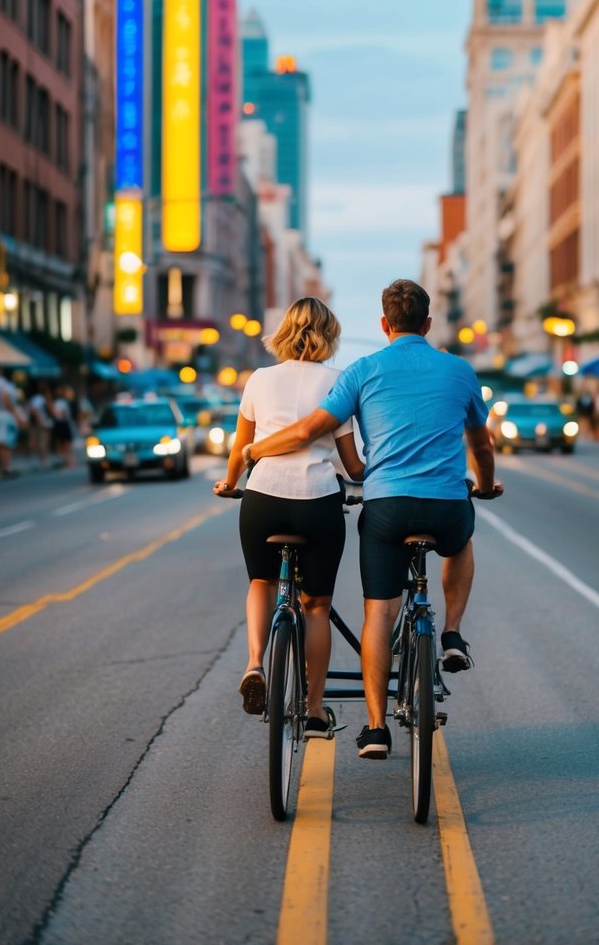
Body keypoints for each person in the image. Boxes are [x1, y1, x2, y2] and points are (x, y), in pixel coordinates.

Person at [241, 279, 503, 760]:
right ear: (427, 324)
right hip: (445, 502)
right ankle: (450, 633)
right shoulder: (460, 370)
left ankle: (377, 727)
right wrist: (483, 485)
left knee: (377, 613)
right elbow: (481, 445)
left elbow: (309, 429)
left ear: (384, 325)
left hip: (385, 506)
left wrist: (254, 451)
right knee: (461, 539)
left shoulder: (363, 370)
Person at [213, 298, 364, 737]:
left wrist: (227, 483)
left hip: (263, 497)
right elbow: (352, 466)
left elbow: (242, 447)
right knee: (316, 606)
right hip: (317, 499)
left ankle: (256, 663)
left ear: (283, 331)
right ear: (330, 334)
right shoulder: (338, 382)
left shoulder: (259, 379)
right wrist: (371, 476)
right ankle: (315, 709)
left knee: (261, 583)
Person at [0, 365, 25, 478]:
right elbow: (6, 400)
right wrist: (17, 416)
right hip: (5, 416)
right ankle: (6, 467)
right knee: (6, 443)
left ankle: (2, 467)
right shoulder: (6, 385)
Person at [28, 383, 54, 466]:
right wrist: (39, 419)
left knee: (42, 441)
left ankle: (43, 459)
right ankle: (43, 460)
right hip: (42, 423)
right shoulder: (39, 399)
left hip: (43, 422)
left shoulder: (40, 399)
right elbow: (34, 409)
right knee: (43, 441)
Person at [51, 386, 75, 467]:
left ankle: (67, 460)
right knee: (65, 443)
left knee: (64, 443)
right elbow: (60, 413)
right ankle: (68, 460)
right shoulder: (61, 402)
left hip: (61, 423)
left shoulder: (59, 402)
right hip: (62, 423)